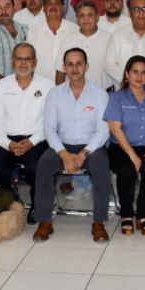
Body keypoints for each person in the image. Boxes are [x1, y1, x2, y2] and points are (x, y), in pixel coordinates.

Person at [32, 48, 111, 243]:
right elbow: (49, 129)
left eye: (79, 64)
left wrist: (84, 154)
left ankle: (99, 222)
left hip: (91, 147)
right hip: (62, 146)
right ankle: (44, 221)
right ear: (64, 67)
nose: (74, 68)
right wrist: (64, 154)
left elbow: (103, 131)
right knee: (44, 164)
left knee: (101, 165)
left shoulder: (100, 94)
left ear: (86, 66)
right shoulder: (54, 94)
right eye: (70, 64)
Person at [0, 43, 55, 222]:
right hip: (7, 139)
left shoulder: (47, 86)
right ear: (12, 61)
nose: (23, 63)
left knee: (36, 168)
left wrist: (32, 141)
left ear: (35, 62)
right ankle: (11, 201)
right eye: (19, 59)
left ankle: (37, 204)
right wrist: (8, 143)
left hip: (37, 139)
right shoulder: (1, 86)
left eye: (28, 59)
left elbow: (49, 121)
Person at [105, 55, 145, 236]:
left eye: (143, 72)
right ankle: (126, 214)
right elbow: (115, 128)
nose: (139, 77)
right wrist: (133, 156)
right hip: (122, 147)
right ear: (126, 74)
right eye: (135, 72)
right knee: (127, 170)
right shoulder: (116, 98)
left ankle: (144, 215)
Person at [57, 0, 113, 89]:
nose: (86, 19)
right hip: (74, 93)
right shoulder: (67, 41)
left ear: (97, 17)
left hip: (106, 92)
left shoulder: (110, 39)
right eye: (82, 15)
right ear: (77, 19)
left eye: (90, 15)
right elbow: (60, 72)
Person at [27, 0, 79, 83]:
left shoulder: (75, 30)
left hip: (68, 86)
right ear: (43, 8)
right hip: (40, 85)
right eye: (49, 3)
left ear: (63, 7)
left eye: (57, 3)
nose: (53, 6)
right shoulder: (34, 31)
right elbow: (29, 59)